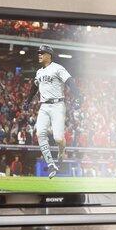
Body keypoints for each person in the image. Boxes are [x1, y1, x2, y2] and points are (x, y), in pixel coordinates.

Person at [32, 48, 72, 176]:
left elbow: (69, 81)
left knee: (58, 138)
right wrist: (27, 100)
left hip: (58, 105)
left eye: (41, 53)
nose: (39, 55)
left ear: (49, 55)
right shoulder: (39, 72)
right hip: (44, 105)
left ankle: (61, 153)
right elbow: (34, 87)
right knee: (40, 133)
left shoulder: (57, 68)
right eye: (39, 53)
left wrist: (79, 95)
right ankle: (51, 164)